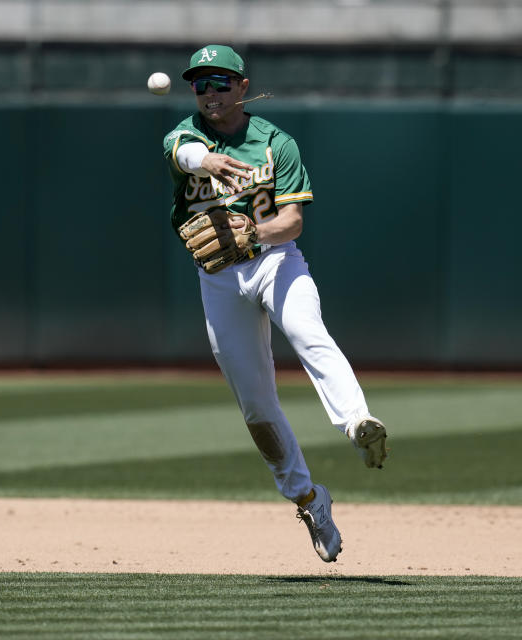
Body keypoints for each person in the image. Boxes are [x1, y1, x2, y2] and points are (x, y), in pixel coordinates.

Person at [161, 45, 388, 563]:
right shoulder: (185, 134)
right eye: (200, 84)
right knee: (257, 407)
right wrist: (211, 158)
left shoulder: (275, 143)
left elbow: (293, 222)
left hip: (275, 260)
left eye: (220, 82)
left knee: (309, 332)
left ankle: (357, 423)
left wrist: (254, 235)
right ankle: (309, 500)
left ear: (243, 86)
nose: (210, 93)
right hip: (217, 279)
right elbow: (184, 155)